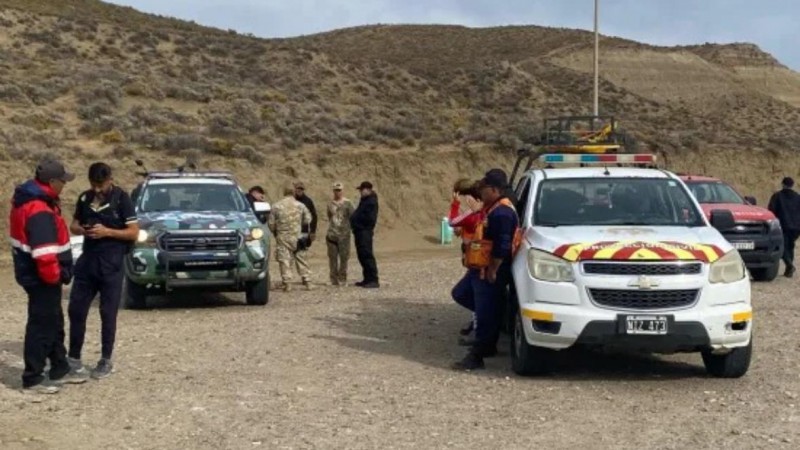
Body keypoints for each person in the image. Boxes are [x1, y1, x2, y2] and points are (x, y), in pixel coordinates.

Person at [10, 159, 86, 394]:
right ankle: (33, 377)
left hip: (39, 274)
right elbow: (44, 252)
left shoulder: (36, 201)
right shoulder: (39, 209)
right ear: (52, 181)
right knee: (41, 324)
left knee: (53, 320)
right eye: (63, 181)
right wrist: (55, 276)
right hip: (41, 276)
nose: (65, 185)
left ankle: (59, 367)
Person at [67, 162, 139, 380]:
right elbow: (73, 225)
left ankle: (105, 359)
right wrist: (84, 230)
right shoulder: (85, 198)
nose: (97, 189)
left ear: (110, 180)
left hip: (111, 264)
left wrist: (108, 232)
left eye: (101, 185)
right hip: (88, 261)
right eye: (94, 185)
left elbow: (133, 232)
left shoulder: (122, 199)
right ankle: (74, 357)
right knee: (76, 310)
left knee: (107, 313)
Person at [452, 169, 519, 371]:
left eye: (484, 188)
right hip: (479, 267)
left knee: (485, 313)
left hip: (488, 271)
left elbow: (503, 245)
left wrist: (494, 269)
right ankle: (492, 331)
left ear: (494, 189)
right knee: (461, 294)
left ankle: (477, 355)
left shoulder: (502, 213)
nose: (480, 192)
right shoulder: (492, 208)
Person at [448, 179, 484, 342]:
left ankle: (478, 330)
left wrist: (455, 204)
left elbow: (453, 221)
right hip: (478, 257)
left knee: (466, 294)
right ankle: (477, 325)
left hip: (476, 259)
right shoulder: (484, 211)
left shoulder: (473, 213)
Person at [269, 184, 313, 291]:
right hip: (297, 236)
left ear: (284, 192)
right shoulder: (300, 205)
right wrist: (298, 225)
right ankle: (307, 281)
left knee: (284, 260)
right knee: (301, 258)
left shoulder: (276, 206)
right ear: (293, 193)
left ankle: (287, 283)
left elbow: (271, 224)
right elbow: (308, 219)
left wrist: (276, 232)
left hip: (283, 237)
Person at [768, 176, 800, 277]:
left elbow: (771, 210)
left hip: (783, 225)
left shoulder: (777, 196)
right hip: (796, 227)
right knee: (790, 246)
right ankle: (788, 270)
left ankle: (789, 265)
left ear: (783, 184)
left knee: (782, 247)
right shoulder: (798, 197)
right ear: (792, 185)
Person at [350, 181, 380, 288]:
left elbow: (369, 219)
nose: (360, 192)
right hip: (360, 231)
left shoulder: (371, 202)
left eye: (362, 190)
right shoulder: (365, 200)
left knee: (367, 255)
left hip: (365, 231)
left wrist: (358, 223)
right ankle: (367, 279)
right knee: (362, 255)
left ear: (368, 190)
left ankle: (373, 279)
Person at [326, 182, 355, 286]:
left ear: (342, 190)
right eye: (335, 190)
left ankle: (342, 279)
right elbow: (330, 217)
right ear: (333, 191)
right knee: (332, 258)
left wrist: (350, 229)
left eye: (339, 190)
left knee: (344, 258)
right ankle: (333, 279)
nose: (337, 192)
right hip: (332, 234)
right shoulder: (330, 204)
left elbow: (353, 217)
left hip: (344, 235)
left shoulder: (348, 203)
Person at [294, 181, 318, 246]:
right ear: (295, 189)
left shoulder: (308, 201)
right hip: (293, 231)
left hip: (304, 232)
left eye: (301, 189)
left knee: (302, 250)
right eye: (298, 188)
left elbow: (314, 216)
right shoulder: (291, 200)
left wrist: (313, 231)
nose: (299, 190)